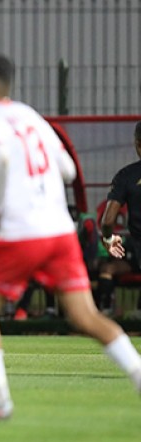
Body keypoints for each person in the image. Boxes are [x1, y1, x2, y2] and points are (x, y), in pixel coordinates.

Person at [0, 54, 141, 424]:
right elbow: (68, 170)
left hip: (22, 232)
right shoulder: (31, 116)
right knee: (85, 316)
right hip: (59, 230)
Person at [98, 122, 141, 315]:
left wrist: (108, 239)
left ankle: (105, 313)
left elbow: (107, 221)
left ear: (137, 144)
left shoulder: (126, 175)